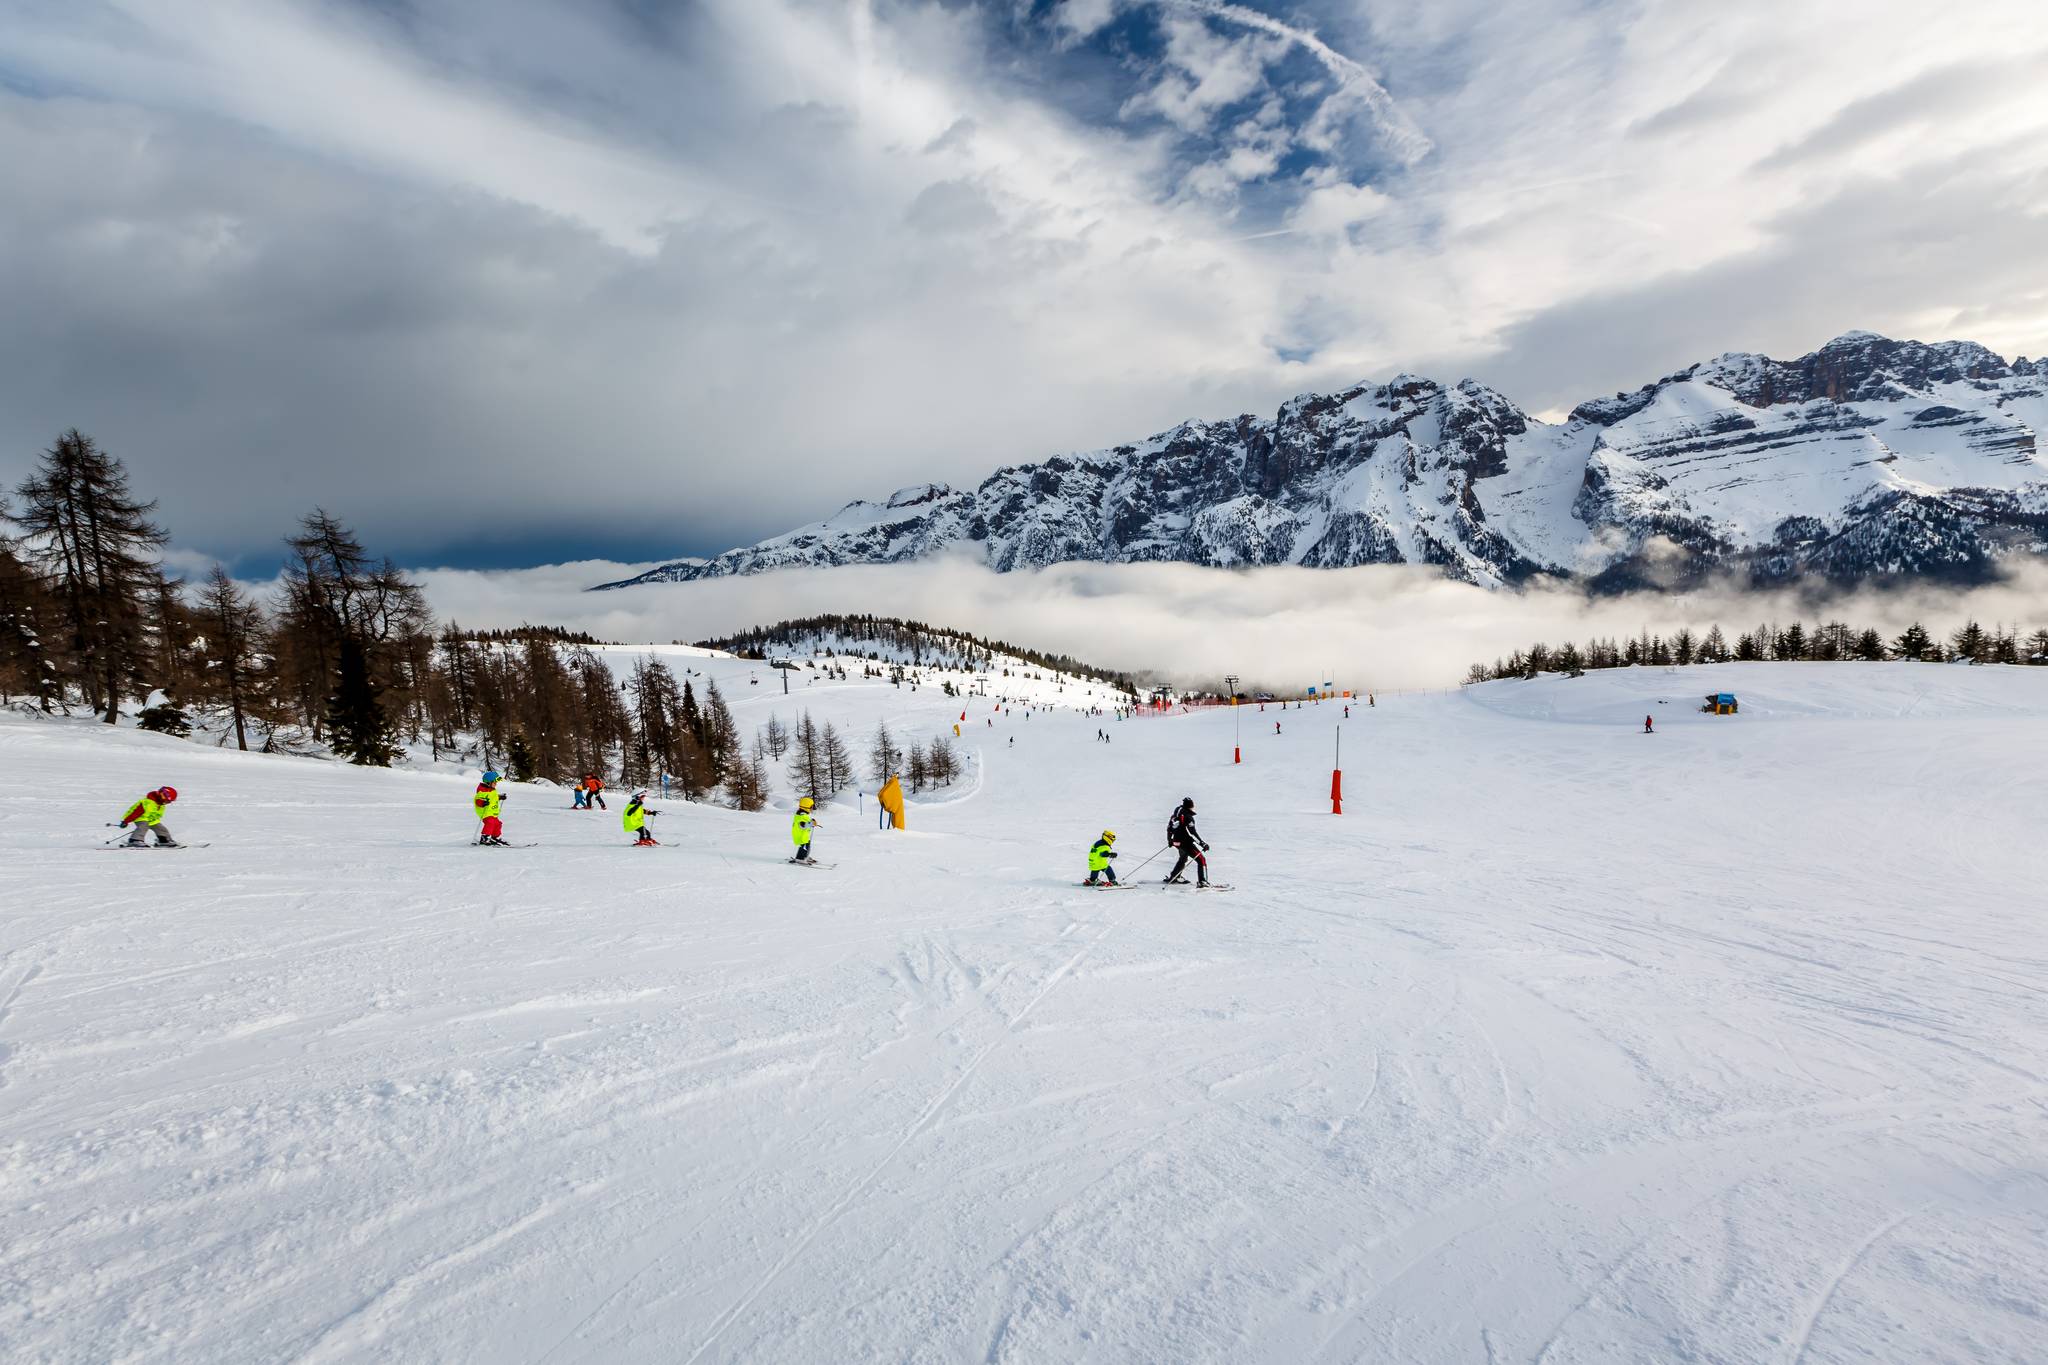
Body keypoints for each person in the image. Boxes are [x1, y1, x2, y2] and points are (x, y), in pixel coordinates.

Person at [1164, 797, 1209, 887]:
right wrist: (1202, 843)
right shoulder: (1188, 817)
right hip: (1185, 843)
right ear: (1190, 807)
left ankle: (1174, 877)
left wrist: (1170, 840)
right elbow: (1191, 833)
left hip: (1176, 842)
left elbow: (1169, 829)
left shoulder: (1175, 816)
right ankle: (1202, 882)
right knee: (1201, 860)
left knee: (1183, 858)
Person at [474, 771, 507, 845]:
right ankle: (484, 838)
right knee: (490, 823)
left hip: (492, 813)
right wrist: (482, 803)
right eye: (495, 783)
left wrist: (500, 797)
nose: (496, 784)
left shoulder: (492, 790)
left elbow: (493, 798)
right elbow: (477, 800)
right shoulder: (482, 791)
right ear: (489, 782)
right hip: (485, 813)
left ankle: (494, 837)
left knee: (498, 824)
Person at [791, 796, 818, 862]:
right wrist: (810, 823)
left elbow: (807, 821)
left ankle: (805, 856)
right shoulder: (801, 817)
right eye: (811, 807)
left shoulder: (803, 815)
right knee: (804, 847)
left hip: (804, 836)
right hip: (801, 836)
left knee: (807, 846)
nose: (812, 809)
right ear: (806, 807)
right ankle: (800, 858)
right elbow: (803, 825)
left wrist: (812, 821)